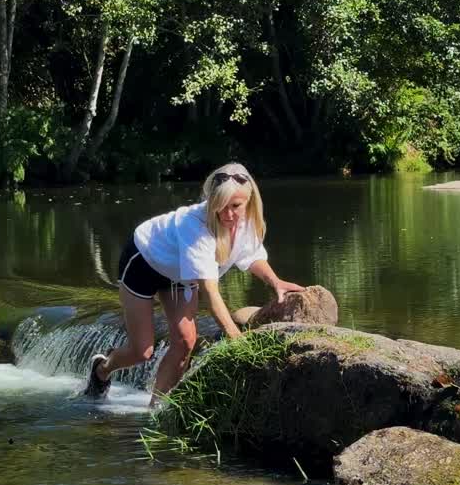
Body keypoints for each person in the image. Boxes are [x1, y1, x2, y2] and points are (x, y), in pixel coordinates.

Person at [85, 163, 304, 404]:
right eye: (220, 207)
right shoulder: (195, 226)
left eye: (235, 206)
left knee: (186, 342)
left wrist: (276, 281)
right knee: (143, 352)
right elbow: (209, 291)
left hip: (179, 274)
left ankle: (157, 410)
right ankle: (102, 369)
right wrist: (236, 338)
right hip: (143, 262)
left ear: (249, 202)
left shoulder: (246, 221)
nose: (228, 214)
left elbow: (252, 257)